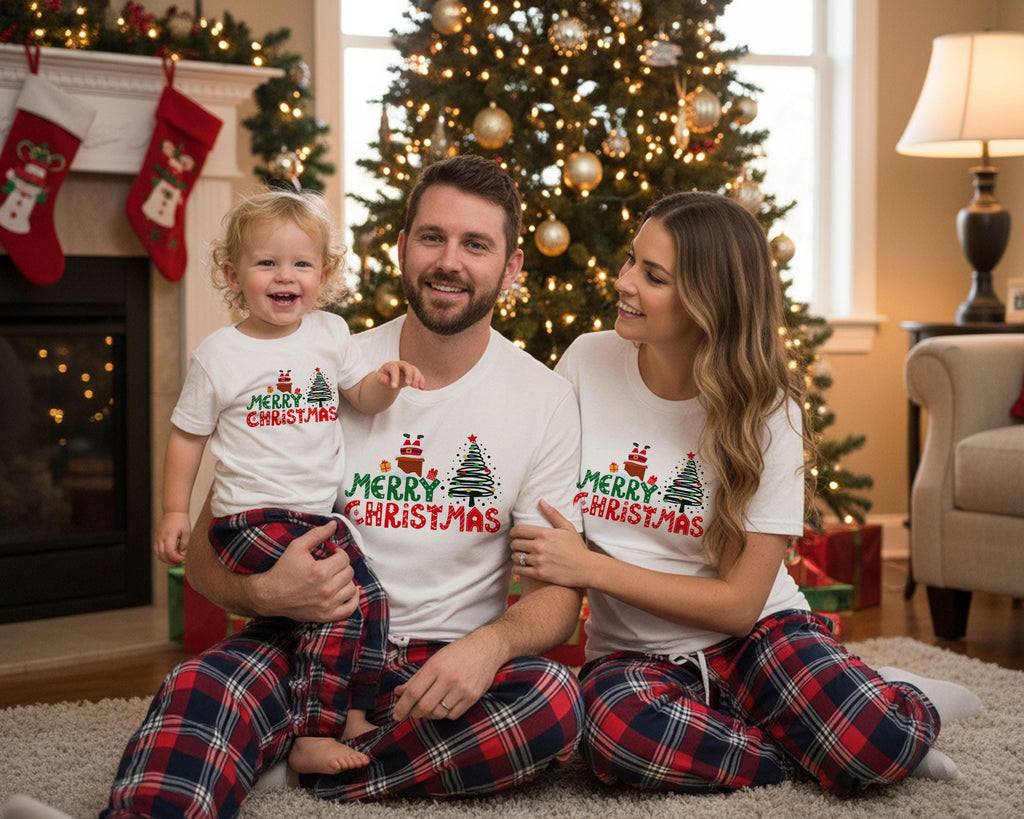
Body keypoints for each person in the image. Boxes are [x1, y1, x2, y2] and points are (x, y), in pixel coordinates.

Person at [103, 155, 585, 817]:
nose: (449, 260)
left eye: (476, 244)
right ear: (400, 246)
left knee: (552, 701)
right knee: (200, 684)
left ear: (511, 266)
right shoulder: (316, 361)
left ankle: (286, 769)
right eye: (432, 237)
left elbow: (557, 597)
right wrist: (264, 591)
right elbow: (211, 548)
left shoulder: (545, 398)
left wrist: (489, 645)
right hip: (302, 642)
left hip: (440, 661)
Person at [508, 191, 982, 795]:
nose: (623, 282)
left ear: (709, 302)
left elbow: (737, 606)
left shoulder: (767, 411)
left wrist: (592, 568)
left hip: (759, 634)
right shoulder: (585, 361)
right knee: (614, 738)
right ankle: (808, 743)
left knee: (879, 744)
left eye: (652, 276)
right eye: (631, 261)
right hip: (632, 658)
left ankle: (898, 701)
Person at [152, 189, 424, 775]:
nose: (285, 276)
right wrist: (176, 512)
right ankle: (312, 730)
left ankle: (353, 708)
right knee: (336, 605)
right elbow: (186, 437)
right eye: (266, 262)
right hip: (249, 517)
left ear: (323, 276)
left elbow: (362, 396)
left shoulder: (328, 334)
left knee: (369, 598)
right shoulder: (219, 355)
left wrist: (390, 380)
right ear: (233, 273)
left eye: (301, 264)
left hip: (313, 517)